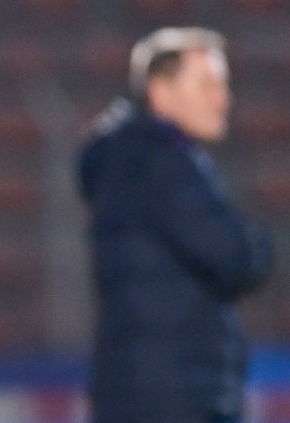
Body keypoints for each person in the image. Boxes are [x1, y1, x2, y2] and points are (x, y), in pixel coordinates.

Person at [78, 27, 273, 423]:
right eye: (207, 85)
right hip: (174, 394)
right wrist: (259, 244)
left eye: (222, 85)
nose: (222, 98)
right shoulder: (159, 162)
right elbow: (232, 256)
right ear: (161, 92)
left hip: (142, 387)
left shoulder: (127, 159)